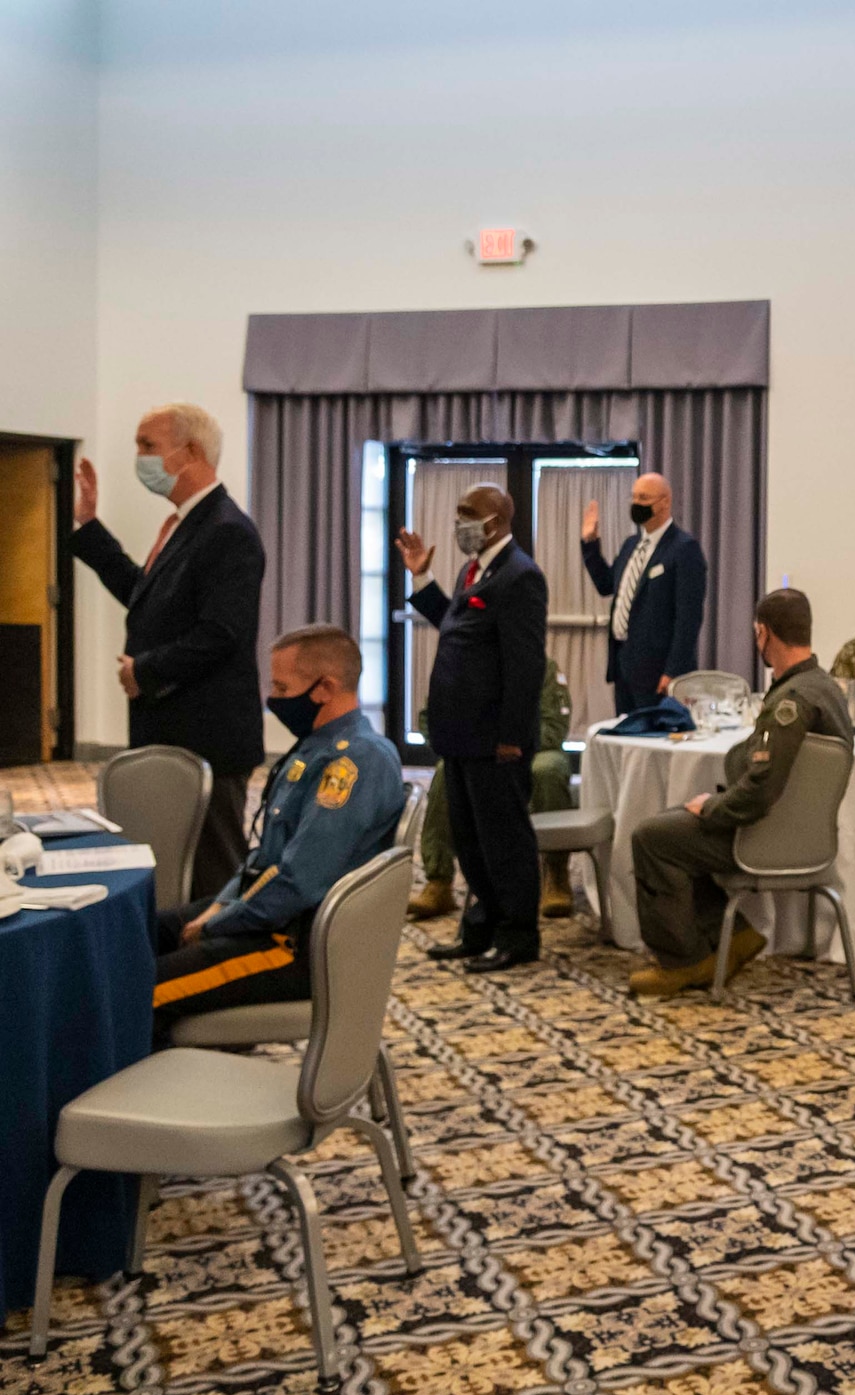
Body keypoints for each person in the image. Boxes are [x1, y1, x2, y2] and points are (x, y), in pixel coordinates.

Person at [153, 625, 401, 1041]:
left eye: (282, 688)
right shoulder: (315, 746)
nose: (274, 699)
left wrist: (218, 925)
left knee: (138, 991)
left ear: (325, 688)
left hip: (294, 946)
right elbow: (264, 857)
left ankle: (147, 1097)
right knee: (135, 927)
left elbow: (299, 880)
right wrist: (220, 907)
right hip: (267, 919)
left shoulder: (354, 762)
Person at [72, 403, 265, 898]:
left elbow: (222, 633)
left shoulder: (226, 531)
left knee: (213, 869)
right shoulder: (186, 523)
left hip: (207, 736)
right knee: (173, 863)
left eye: (148, 446)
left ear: (192, 452)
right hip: (172, 727)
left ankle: (223, 968)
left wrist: (146, 670)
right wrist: (90, 529)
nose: (139, 458)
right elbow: (148, 597)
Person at [626, 589, 853, 998]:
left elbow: (760, 792)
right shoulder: (825, 688)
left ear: (763, 633)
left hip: (767, 835)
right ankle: (735, 939)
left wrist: (712, 807)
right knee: (680, 825)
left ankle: (684, 961)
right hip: (805, 836)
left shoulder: (792, 700)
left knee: (653, 837)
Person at [397, 484, 549, 973]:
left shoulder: (521, 576)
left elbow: (525, 666)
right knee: (470, 841)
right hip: (460, 735)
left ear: (497, 519)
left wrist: (511, 736)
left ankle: (517, 937)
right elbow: (456, 625)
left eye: (469, 513)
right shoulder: (473, 569)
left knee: (504, 842)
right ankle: (478, 929)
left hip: (494, 739)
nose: (459, 520)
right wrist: (422, 579)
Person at [408, 658, 576, 921]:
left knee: (549, 770)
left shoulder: (539, 667)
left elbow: (554, 728)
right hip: (477, 751)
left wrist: (506, 744)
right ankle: (439, 882)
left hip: (531, 751)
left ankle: (556, 875)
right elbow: (432, 719)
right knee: (445, 772)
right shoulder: (459, 665)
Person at [581, 473, 708, 715]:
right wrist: (590, 543)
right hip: (624, 666)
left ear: (664, 502)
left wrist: (674, 671)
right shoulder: (631, 545)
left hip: (658, 672)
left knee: (653, 745)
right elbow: (607, 585)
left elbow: (688, 618)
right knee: (627, 741)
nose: (637, 503)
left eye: (644, 497)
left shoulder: (683, 549)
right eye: (635, 497)